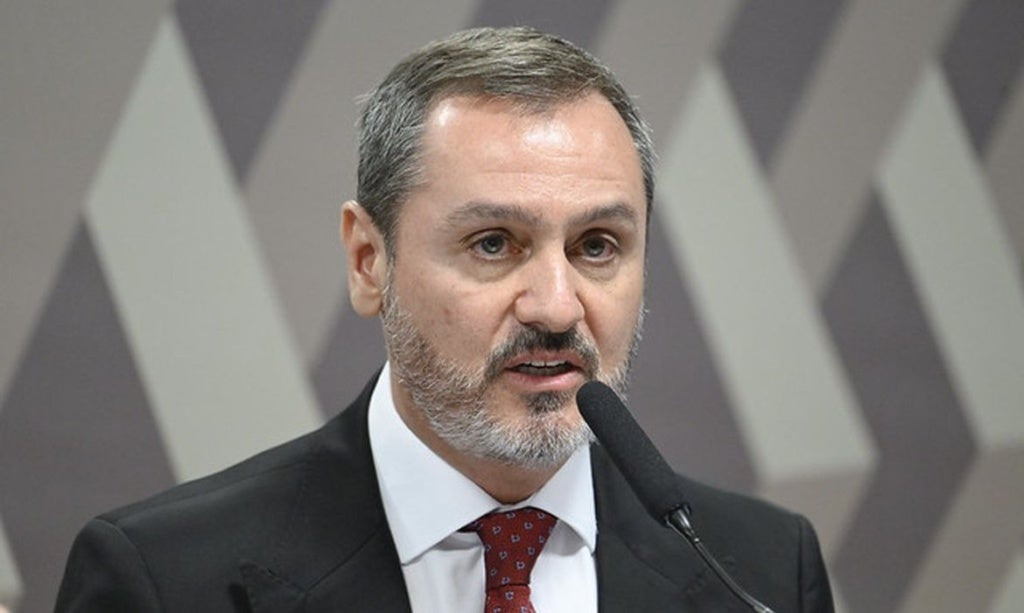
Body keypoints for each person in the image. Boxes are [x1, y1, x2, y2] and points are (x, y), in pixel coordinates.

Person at [55, 26, 834, 612]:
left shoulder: (764, 570)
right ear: (369, 260)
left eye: (597, 245)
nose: (556, 305)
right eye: (494, 243)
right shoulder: (165, 579)